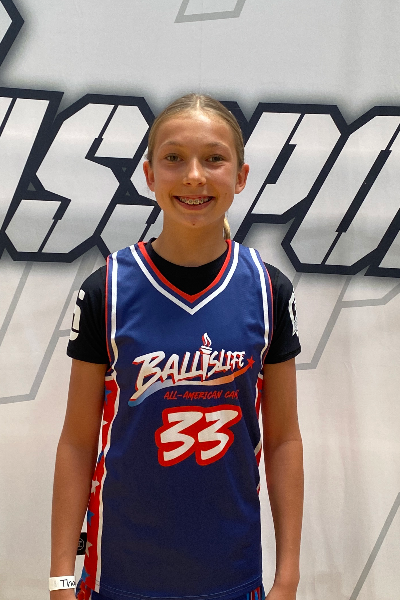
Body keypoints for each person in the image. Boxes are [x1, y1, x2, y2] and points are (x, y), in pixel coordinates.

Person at [50, 93, 303, 600]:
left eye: (214, 158)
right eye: (173, 158)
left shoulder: (268, 290)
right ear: (148, 174)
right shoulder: (107, 290)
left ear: (241, 176)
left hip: (230, 575)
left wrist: (288, 579)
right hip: (118, 575)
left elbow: (283, 441)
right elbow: (77, 443)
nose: (193, 176)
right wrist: (61, 580)